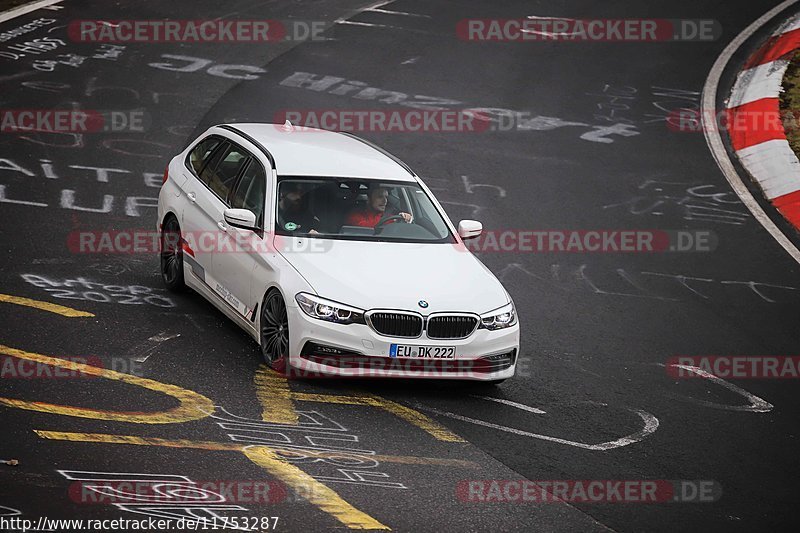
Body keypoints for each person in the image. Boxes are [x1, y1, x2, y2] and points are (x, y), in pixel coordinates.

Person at [346, 185, 412, 228]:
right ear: (369, 199)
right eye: (380, 197)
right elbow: (368, 227)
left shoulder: (390, 216)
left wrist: (405, 218)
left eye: (386, 197)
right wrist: (394, 221)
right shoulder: (355, 216)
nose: (385, 201)